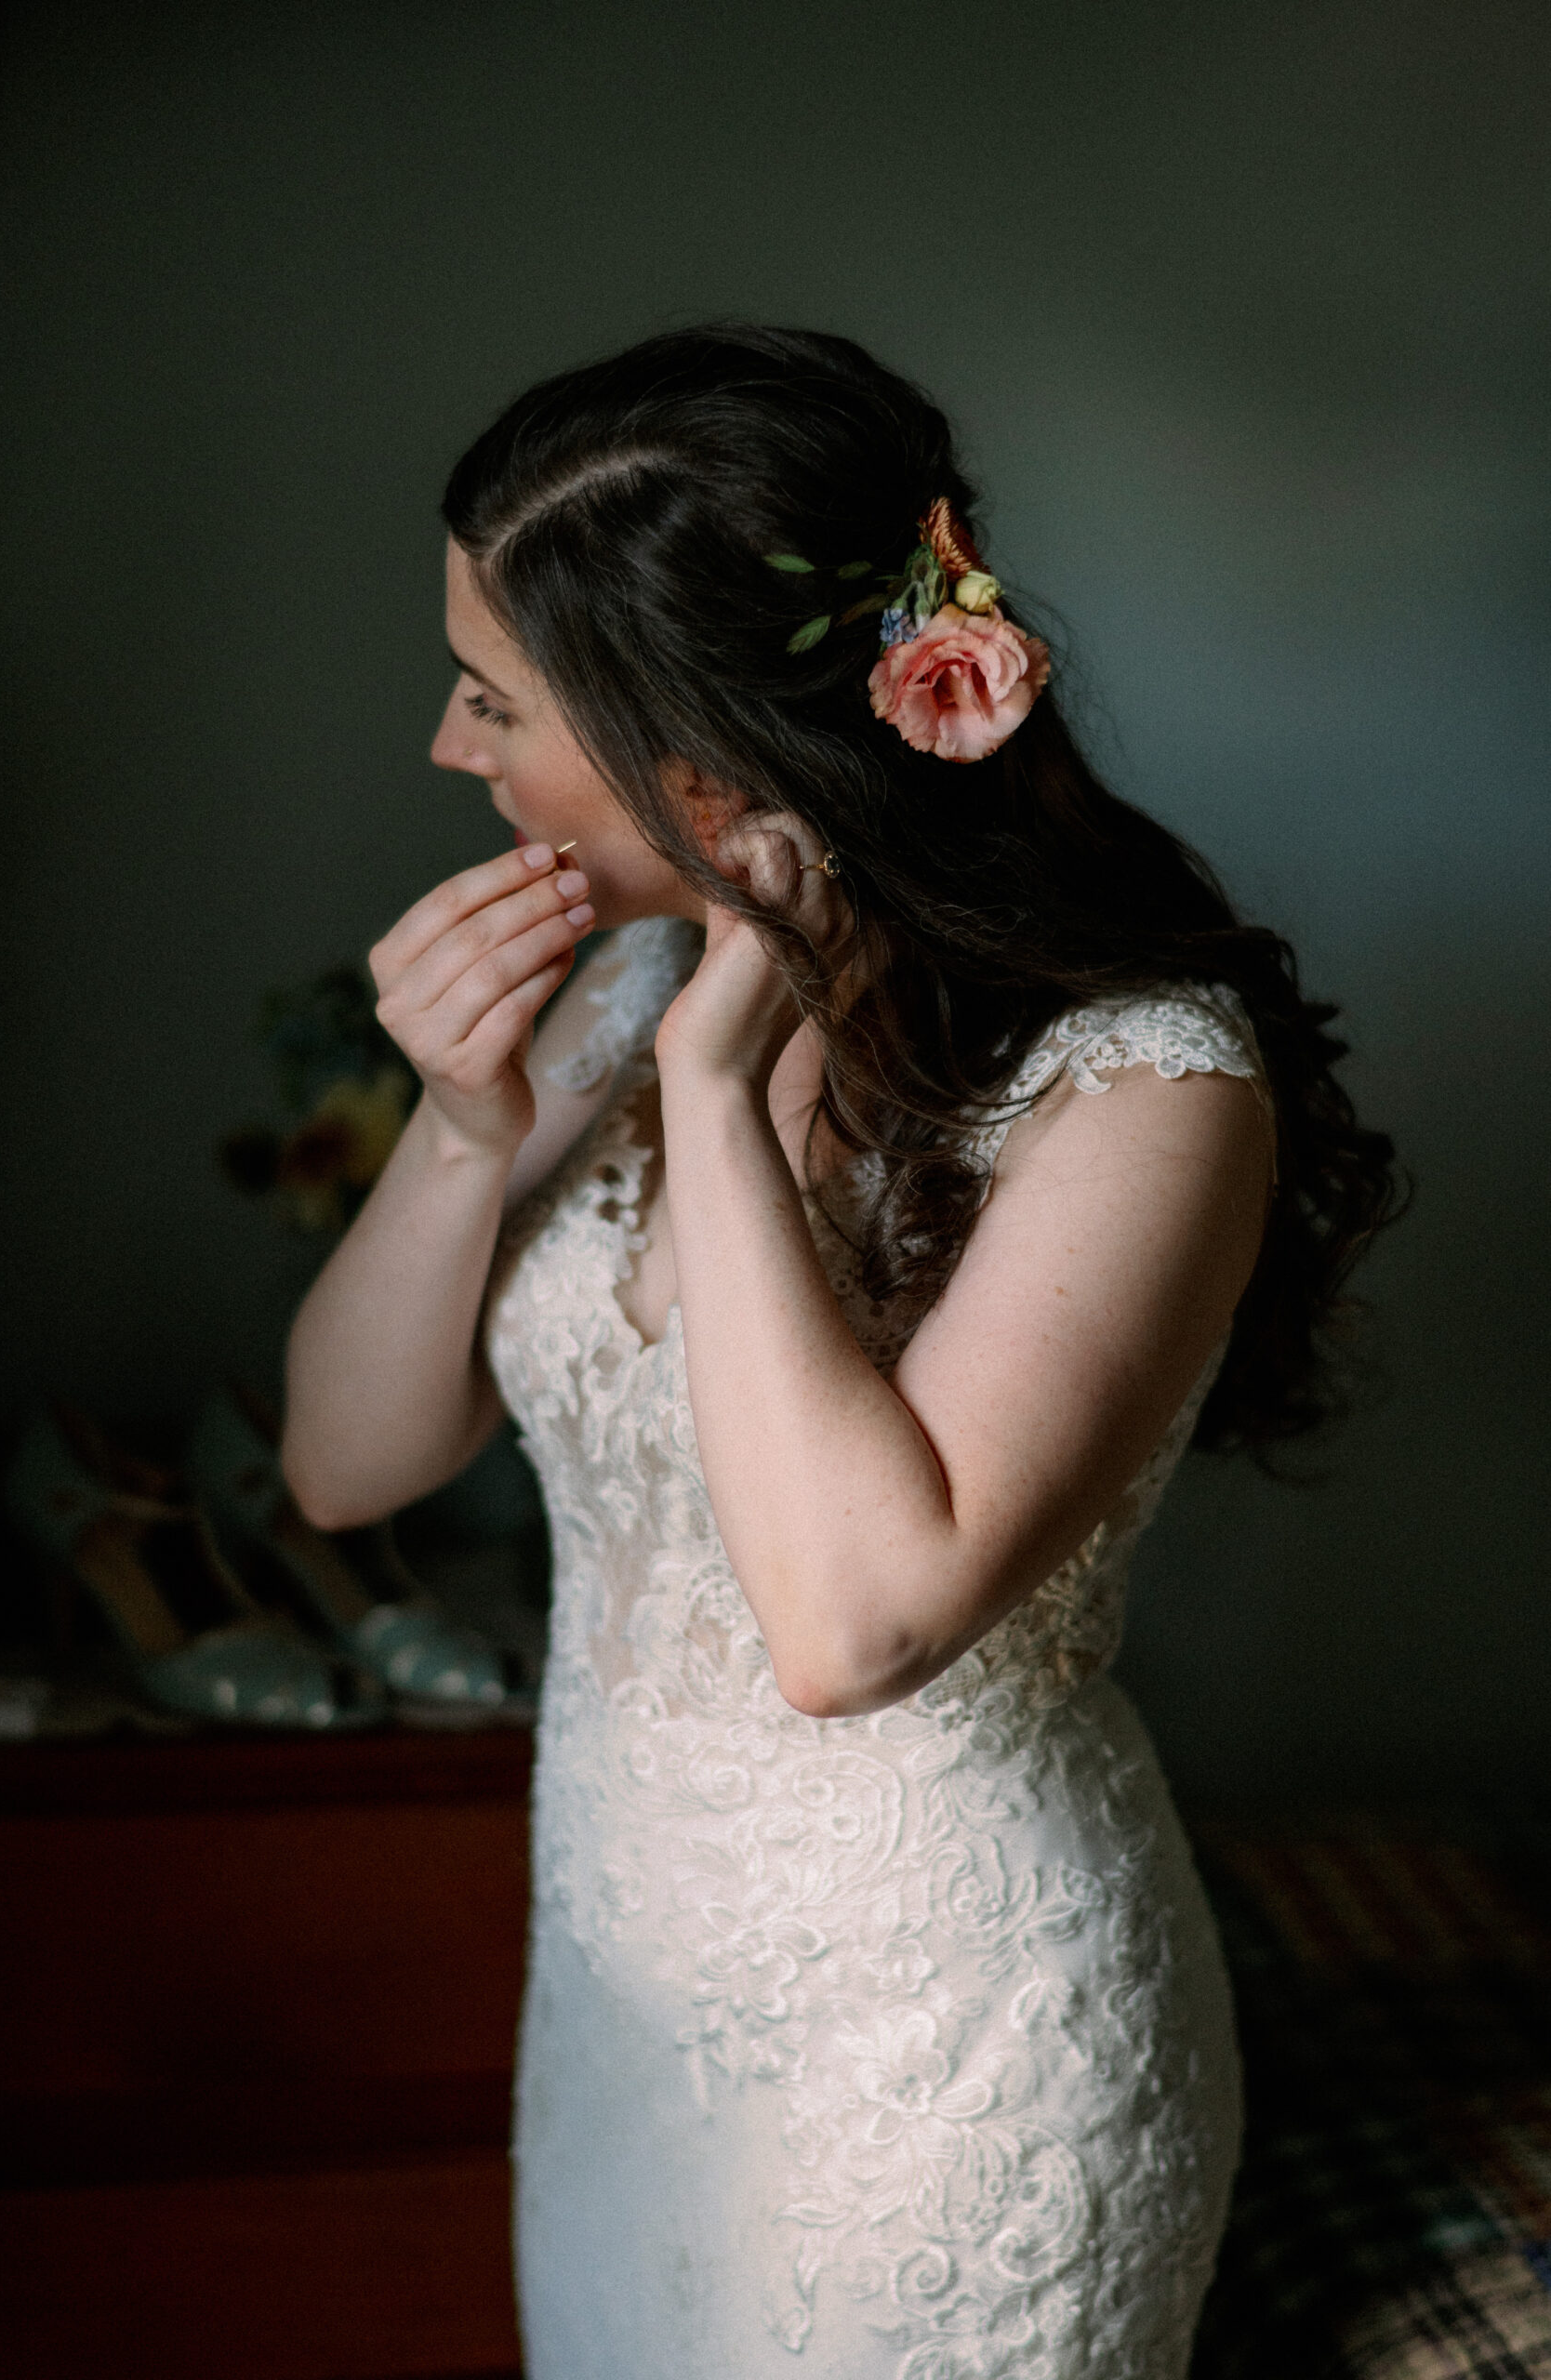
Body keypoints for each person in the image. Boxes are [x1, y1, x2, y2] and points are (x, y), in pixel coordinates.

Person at [281, 325, 1401, 2380]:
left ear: (698, 752)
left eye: (497, 699)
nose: (453, 747)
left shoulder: (1140, 1082)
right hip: (625, 2032)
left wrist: (715, 1098)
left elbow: (853, 1622)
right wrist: (459, 1130)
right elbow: (345, 1465)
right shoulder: (612, 989)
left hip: (947, 2073)